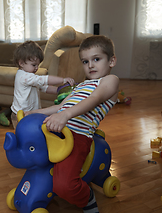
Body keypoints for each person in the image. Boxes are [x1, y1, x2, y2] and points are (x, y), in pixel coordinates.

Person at [26, 35, 119, 213]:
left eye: (96, 59)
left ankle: (88, 200)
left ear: (112, 61)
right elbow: (60, 106)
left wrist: (65, 116)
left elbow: (94, 99)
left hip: (77, 136)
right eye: (85, 61)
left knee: (64, 185)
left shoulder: (110, 81)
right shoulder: (80, 86)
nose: (90, 65)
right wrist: (33, 113)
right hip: (56, 128)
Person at [11, 40, 75, 129]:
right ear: (21, 63)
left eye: (38, 65)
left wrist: (59, 90)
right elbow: (44, 80)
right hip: (20, 115)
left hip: (30, 113)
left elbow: (44, 88)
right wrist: (63, 80)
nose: (37, 68)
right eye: (34, 65)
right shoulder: (23, 77)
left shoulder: (30, 77)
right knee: (23, 136)